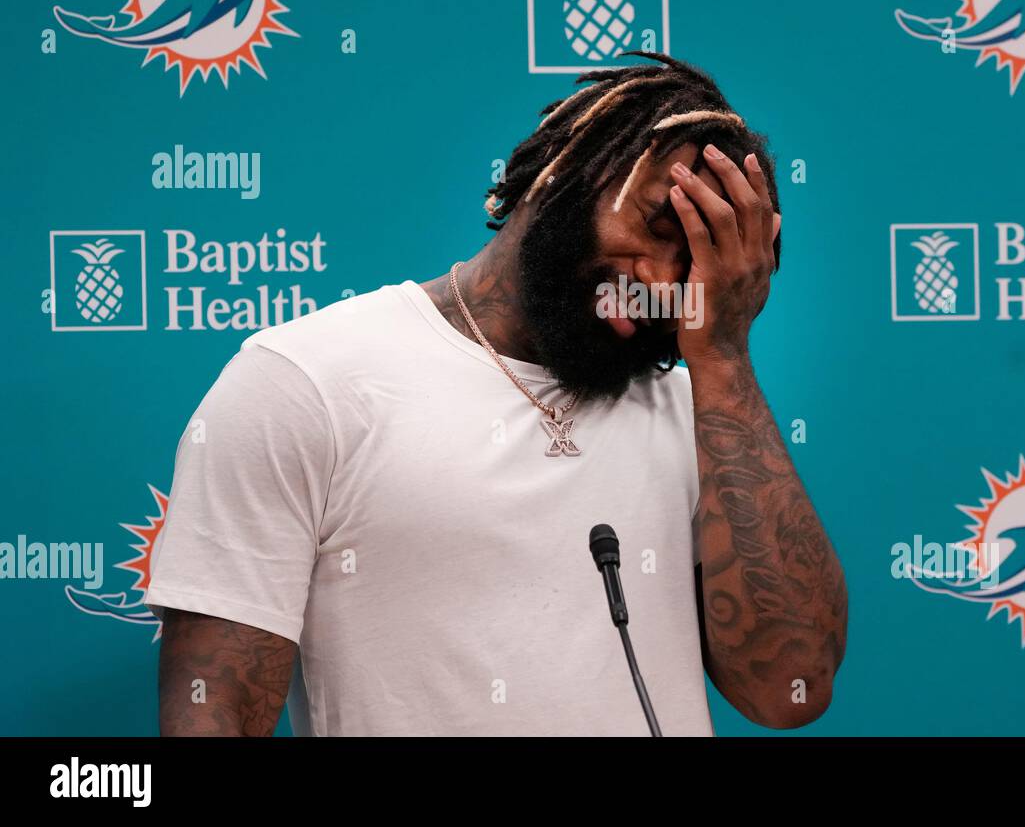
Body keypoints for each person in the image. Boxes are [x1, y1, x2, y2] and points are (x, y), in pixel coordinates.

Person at [147, 53, 847, 736]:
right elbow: (215, 714)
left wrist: (722, 357)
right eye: (657, 229)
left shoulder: (706, 415)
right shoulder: (306, 381)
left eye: (695, 268)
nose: (661, 281)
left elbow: (791, 690)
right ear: (561, 171)